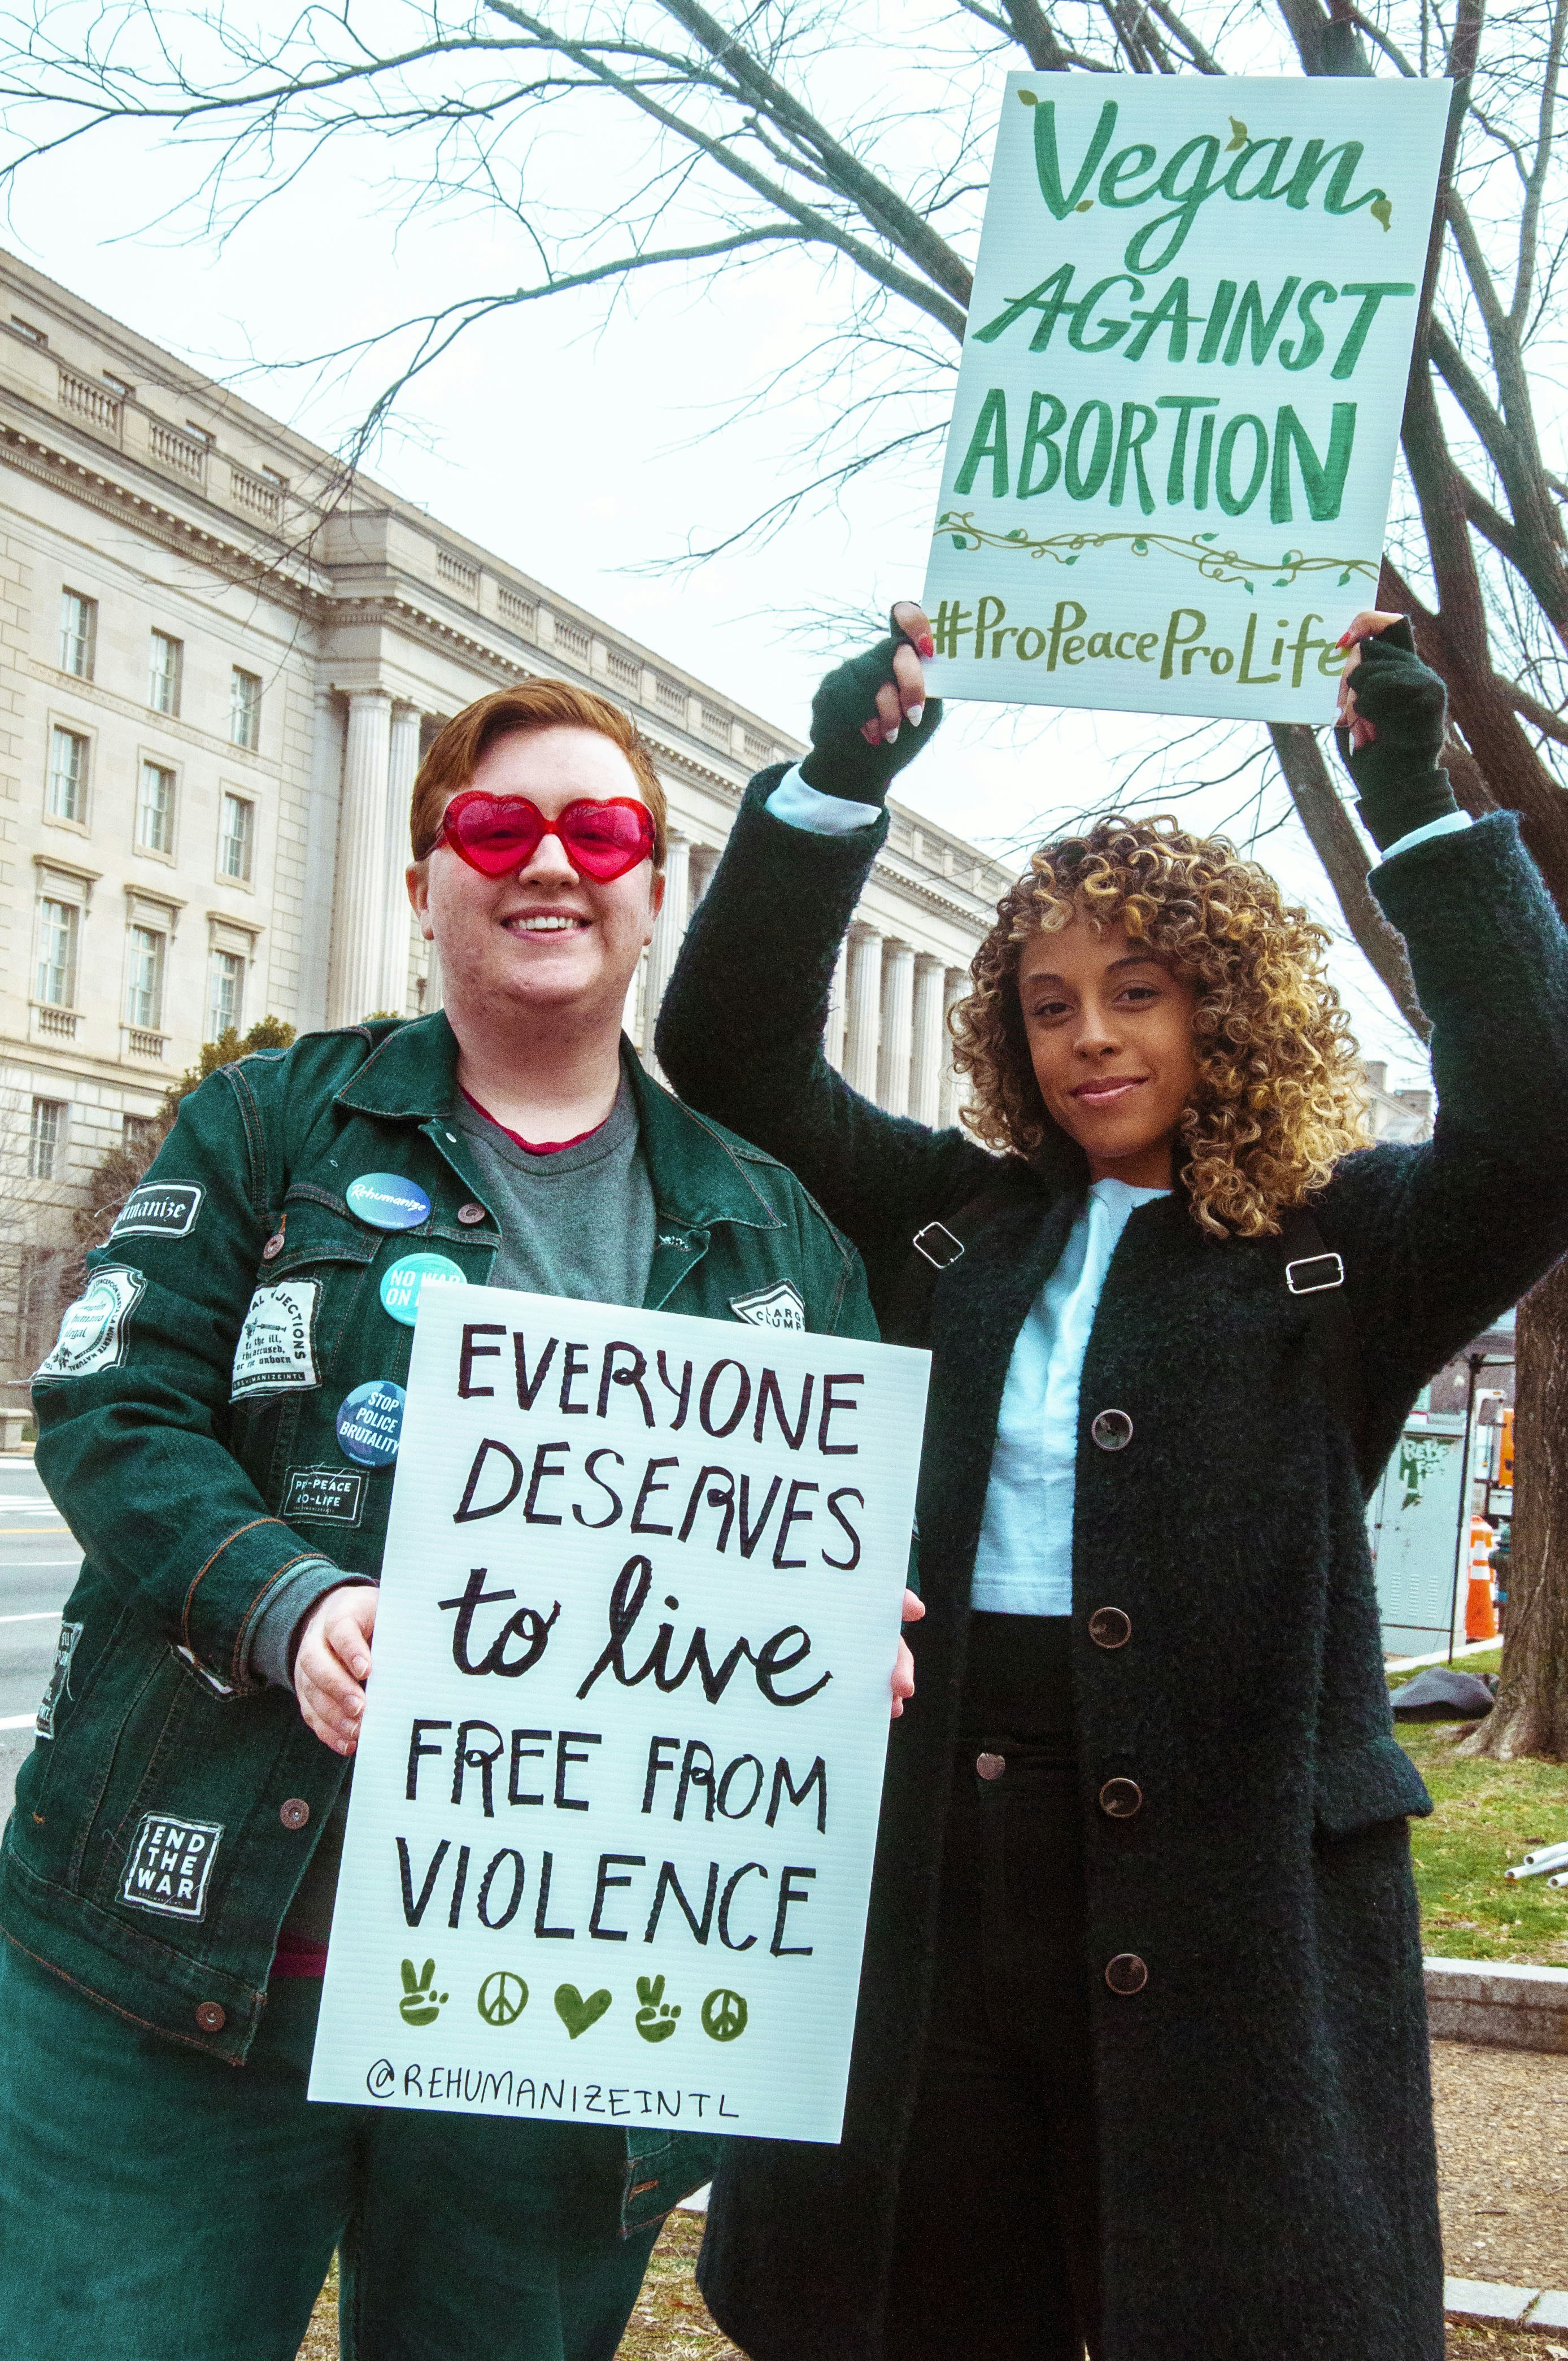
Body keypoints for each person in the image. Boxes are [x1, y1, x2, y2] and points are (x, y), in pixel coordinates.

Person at [655, 604, 1568, 2361]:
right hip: (943, 1845)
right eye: (1052, 1001)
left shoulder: (1335, 1250)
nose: (1090, 1038)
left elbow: (1535, 1113)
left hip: (1232, 1883)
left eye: (1137, 993)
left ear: (1218, 1005)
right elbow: (740, 1058)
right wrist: (836, 792)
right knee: (927, 2303)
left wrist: (1422, 812)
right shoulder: (950, 1219)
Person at [0, 677, 891, 2361]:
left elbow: (837, 1546)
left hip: (554, 2026)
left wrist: (848, 1639)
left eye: (599, 831)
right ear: (425, 881)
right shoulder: (270, 1124)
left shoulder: (770, 1227)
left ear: (651, 891)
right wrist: (285, 1599)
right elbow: (109, 1397)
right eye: (496, 826)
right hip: (173, 1974)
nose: (549, 861)